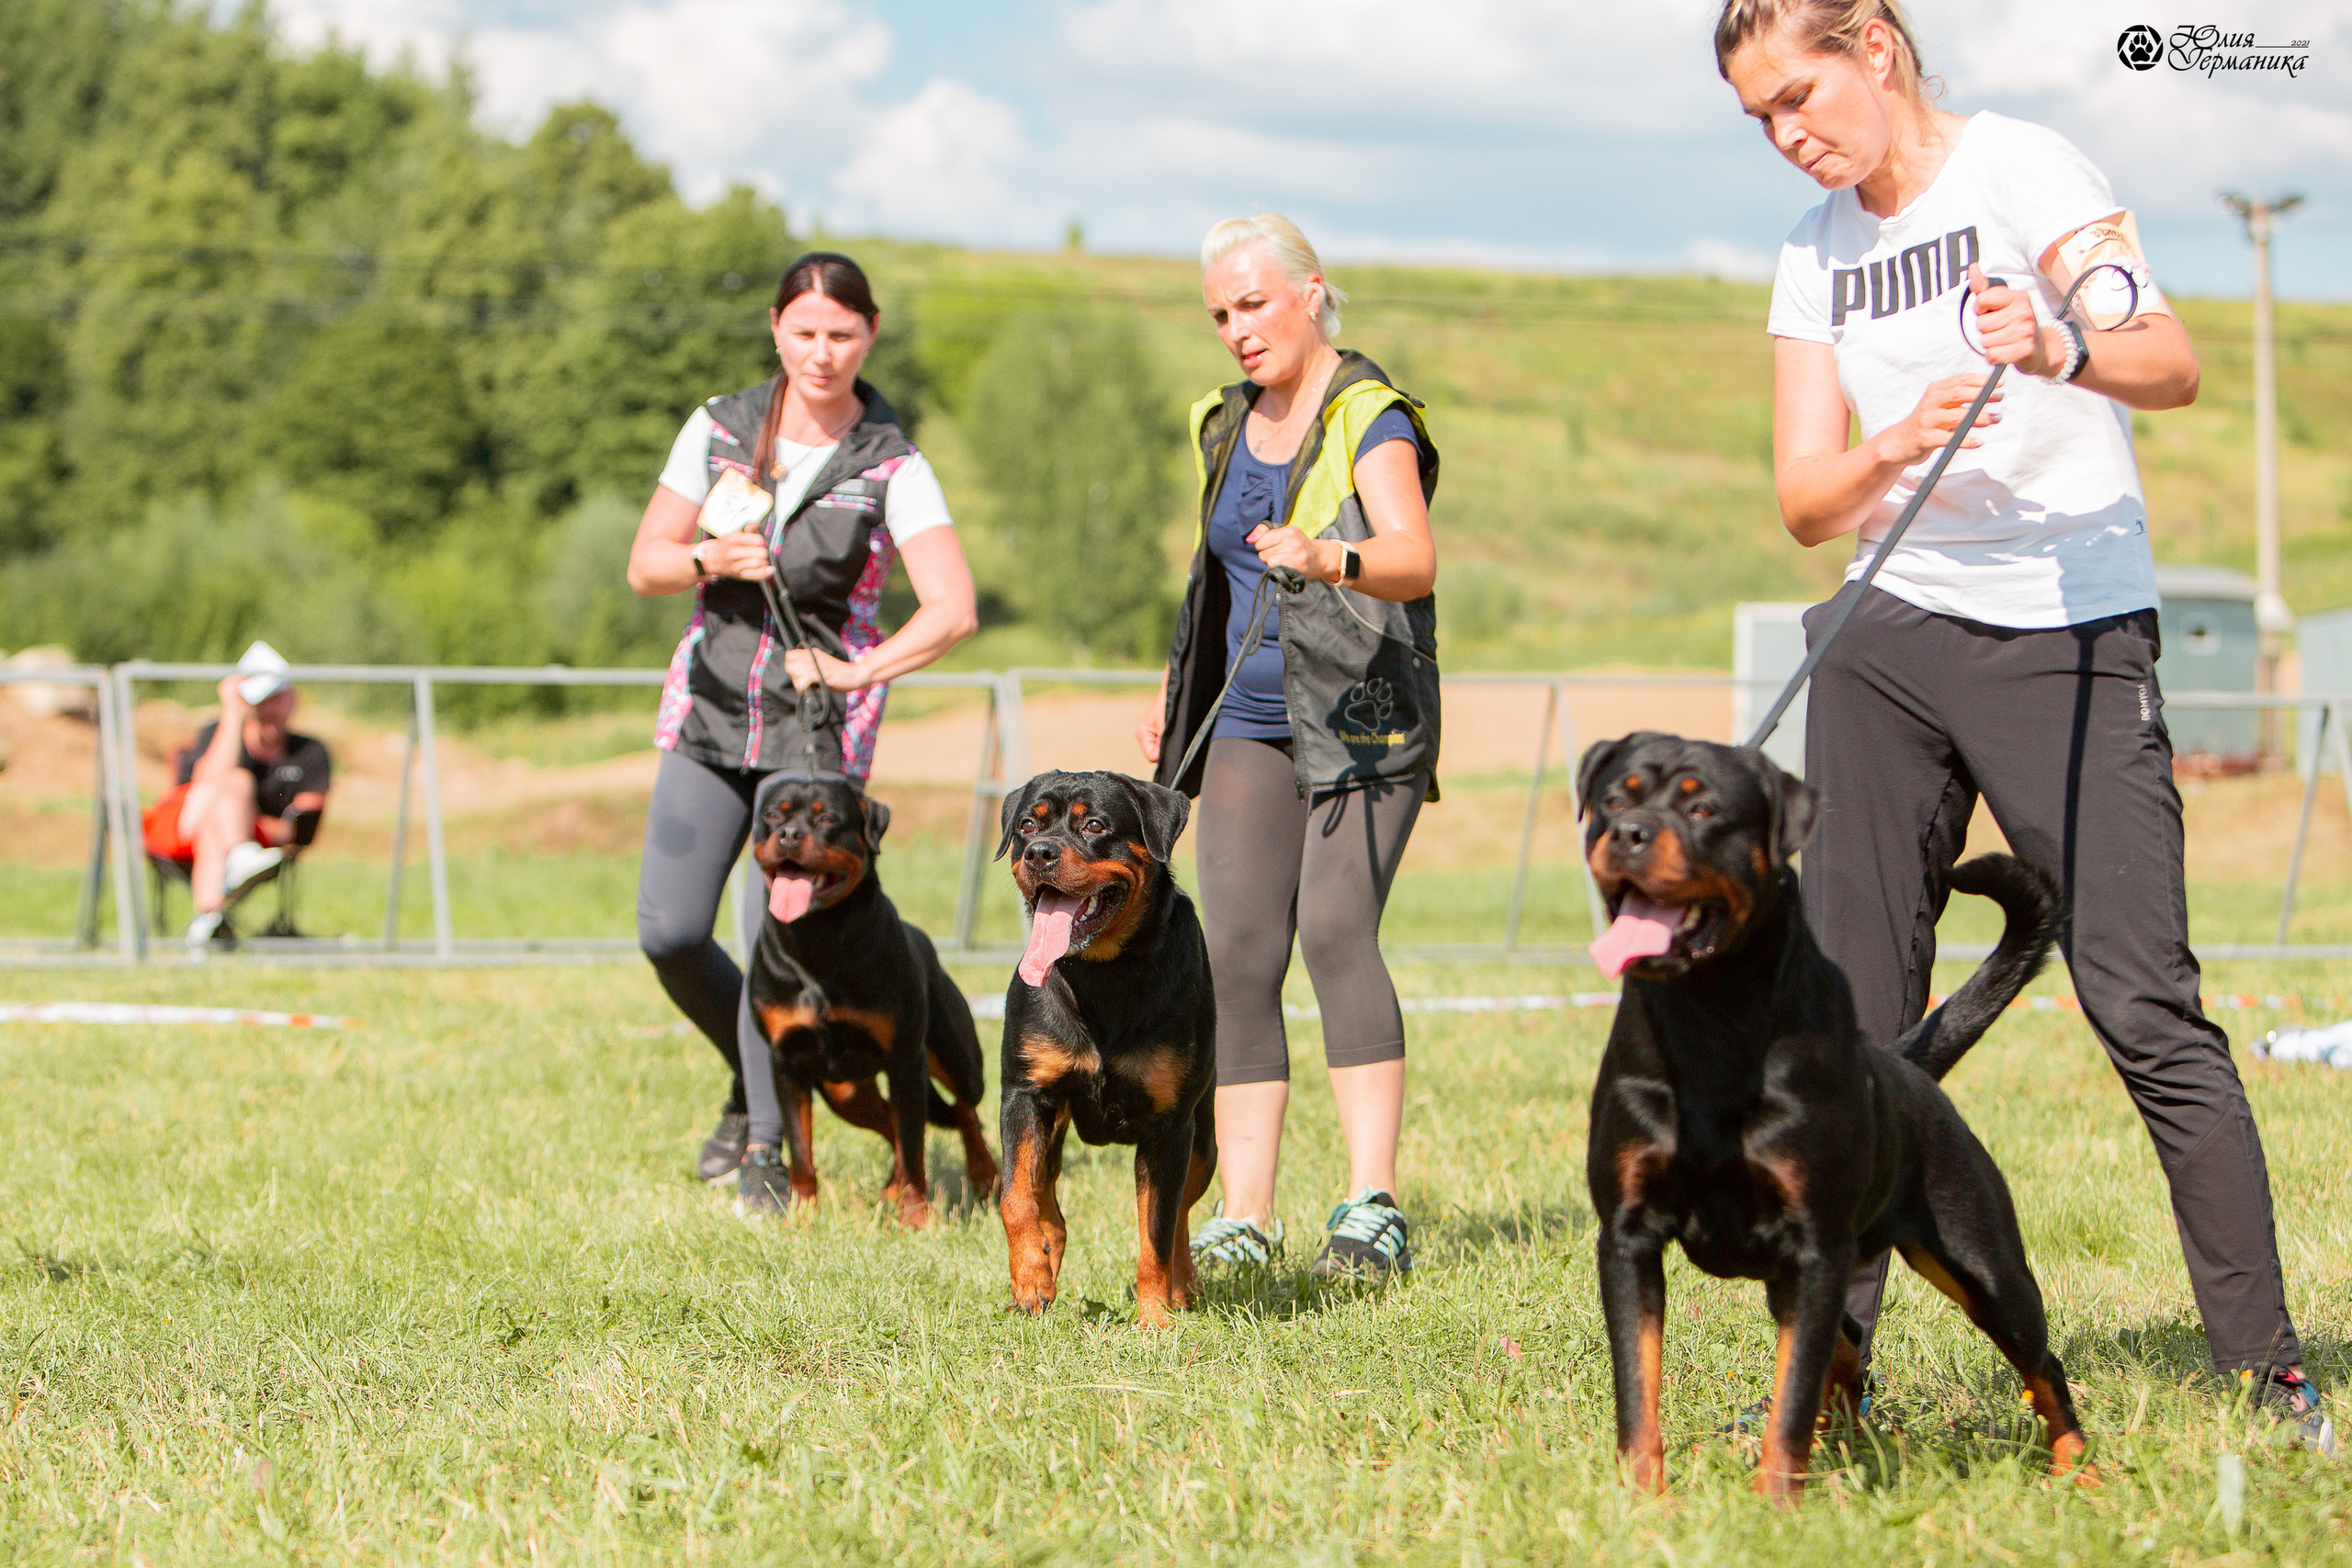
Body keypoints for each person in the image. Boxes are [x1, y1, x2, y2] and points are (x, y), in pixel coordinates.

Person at [1718, 0, 2328, 1447]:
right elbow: (1807, 503)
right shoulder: (1814, 254)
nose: (1787, 134)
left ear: (1874, 46)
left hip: (2067, 627)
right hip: (1884, 636)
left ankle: (2270, 1367)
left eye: (1798, 93)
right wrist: (1890, 445)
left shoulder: (2024, 168)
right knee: (1848, 1025)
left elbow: (2167, 362)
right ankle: (1829, 1375)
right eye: (1757, 119)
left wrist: (2058, 345)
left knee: (2144, 1001)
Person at [626, 251, 978, 1212]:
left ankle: (770, 1160)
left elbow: (951, 609)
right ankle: (752, 1085)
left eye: (844, 334)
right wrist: (705, 552)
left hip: (814, 738)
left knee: (773, 935)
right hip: (708, 713)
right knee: (668, 932)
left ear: (868, 337)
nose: (823, 353)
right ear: (777, 329)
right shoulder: (717, 426)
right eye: (806, 332)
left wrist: (859, 669)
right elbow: (646, 564)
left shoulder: (891, 459)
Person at [1137, 214, 1441, 1282]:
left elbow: (1412, 558)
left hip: (1362, 720)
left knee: (1338, 929)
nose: (1235, 329)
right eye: (1219, 312)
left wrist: (1328, 554)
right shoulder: (1220, 424)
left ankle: (1370, 1207)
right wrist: (1180, 697)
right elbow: (1213, 582)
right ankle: (1243, 1212)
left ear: (1310, 293)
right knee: (1237, 953)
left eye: (1252, 304)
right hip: (1245, 722)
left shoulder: (1371, 414)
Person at [141, 640, 331, 956]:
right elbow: (206, 781)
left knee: (215, 831)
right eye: (261, 700)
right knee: (234, 781)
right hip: (184, 825)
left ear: (292, 699)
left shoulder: (310, 751)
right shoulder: (215, 732)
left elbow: (304, 827)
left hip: (225, 836)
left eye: (276, 699)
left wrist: (244, 823)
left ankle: (208, 921)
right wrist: (232, 714)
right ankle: (239, 853)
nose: (268, 709)